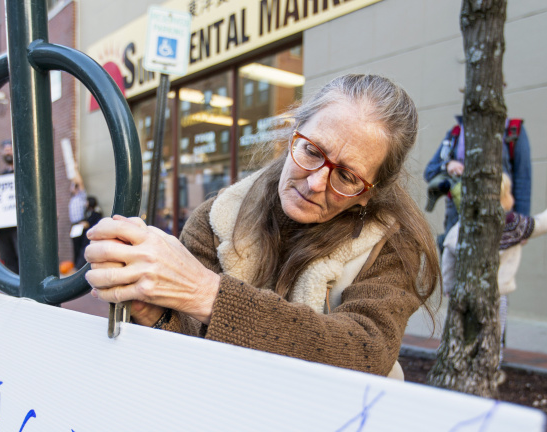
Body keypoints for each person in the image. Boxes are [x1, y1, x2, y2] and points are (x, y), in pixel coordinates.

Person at [85, 74, 440, 378]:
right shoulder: (219, 217)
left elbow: (368, 351)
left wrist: (206, 293)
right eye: (313, 152)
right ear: (292, 134)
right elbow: (189, 344)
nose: (316, 183)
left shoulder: (391, 242)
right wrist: (154, 312)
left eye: (347, 176)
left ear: (368, 194)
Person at [441, 174, 547, 358]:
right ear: (506, 196)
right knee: (493, 335)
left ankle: (457, 363)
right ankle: (490, 366)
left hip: (464, 291)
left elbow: (449, 253)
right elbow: (542, 224)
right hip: (498, 295)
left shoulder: (466, 224)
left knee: (459, 332)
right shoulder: (513, 224)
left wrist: (449, 285)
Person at [424, 113, 531, 247]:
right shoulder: (456, 134)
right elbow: (429, 171)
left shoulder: (513, 130)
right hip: (457, 220)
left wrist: (521, 223)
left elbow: (522, 180)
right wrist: (447, 165)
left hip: (497, 220)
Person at [0, 140, 20, 273]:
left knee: (22, 257)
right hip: (3, 228)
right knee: (8, 260)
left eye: (10, 149)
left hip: (19, 226)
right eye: (6, 150)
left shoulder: (23, 173)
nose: (8, 152)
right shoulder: (0, 178)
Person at [67, 175, 88, 268]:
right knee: (75, 246)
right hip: (74, 225)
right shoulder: (72, 199)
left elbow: (80, 182)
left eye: (72, 185)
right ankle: (76, 266)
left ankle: (80, 266)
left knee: (80, 246)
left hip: (80, 223)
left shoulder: (81, 196)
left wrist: (74, 169)